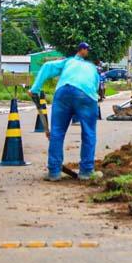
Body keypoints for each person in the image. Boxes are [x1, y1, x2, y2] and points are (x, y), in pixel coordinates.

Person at [29, 42, 102, 182]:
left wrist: (35, 90)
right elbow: (96, 88)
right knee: (89, 132)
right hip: (85, 94)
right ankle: (86, 171)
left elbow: (47, 67)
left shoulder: (68, 61)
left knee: (57, 132)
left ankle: (54, 172)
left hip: (63, 92)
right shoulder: (93, 68)